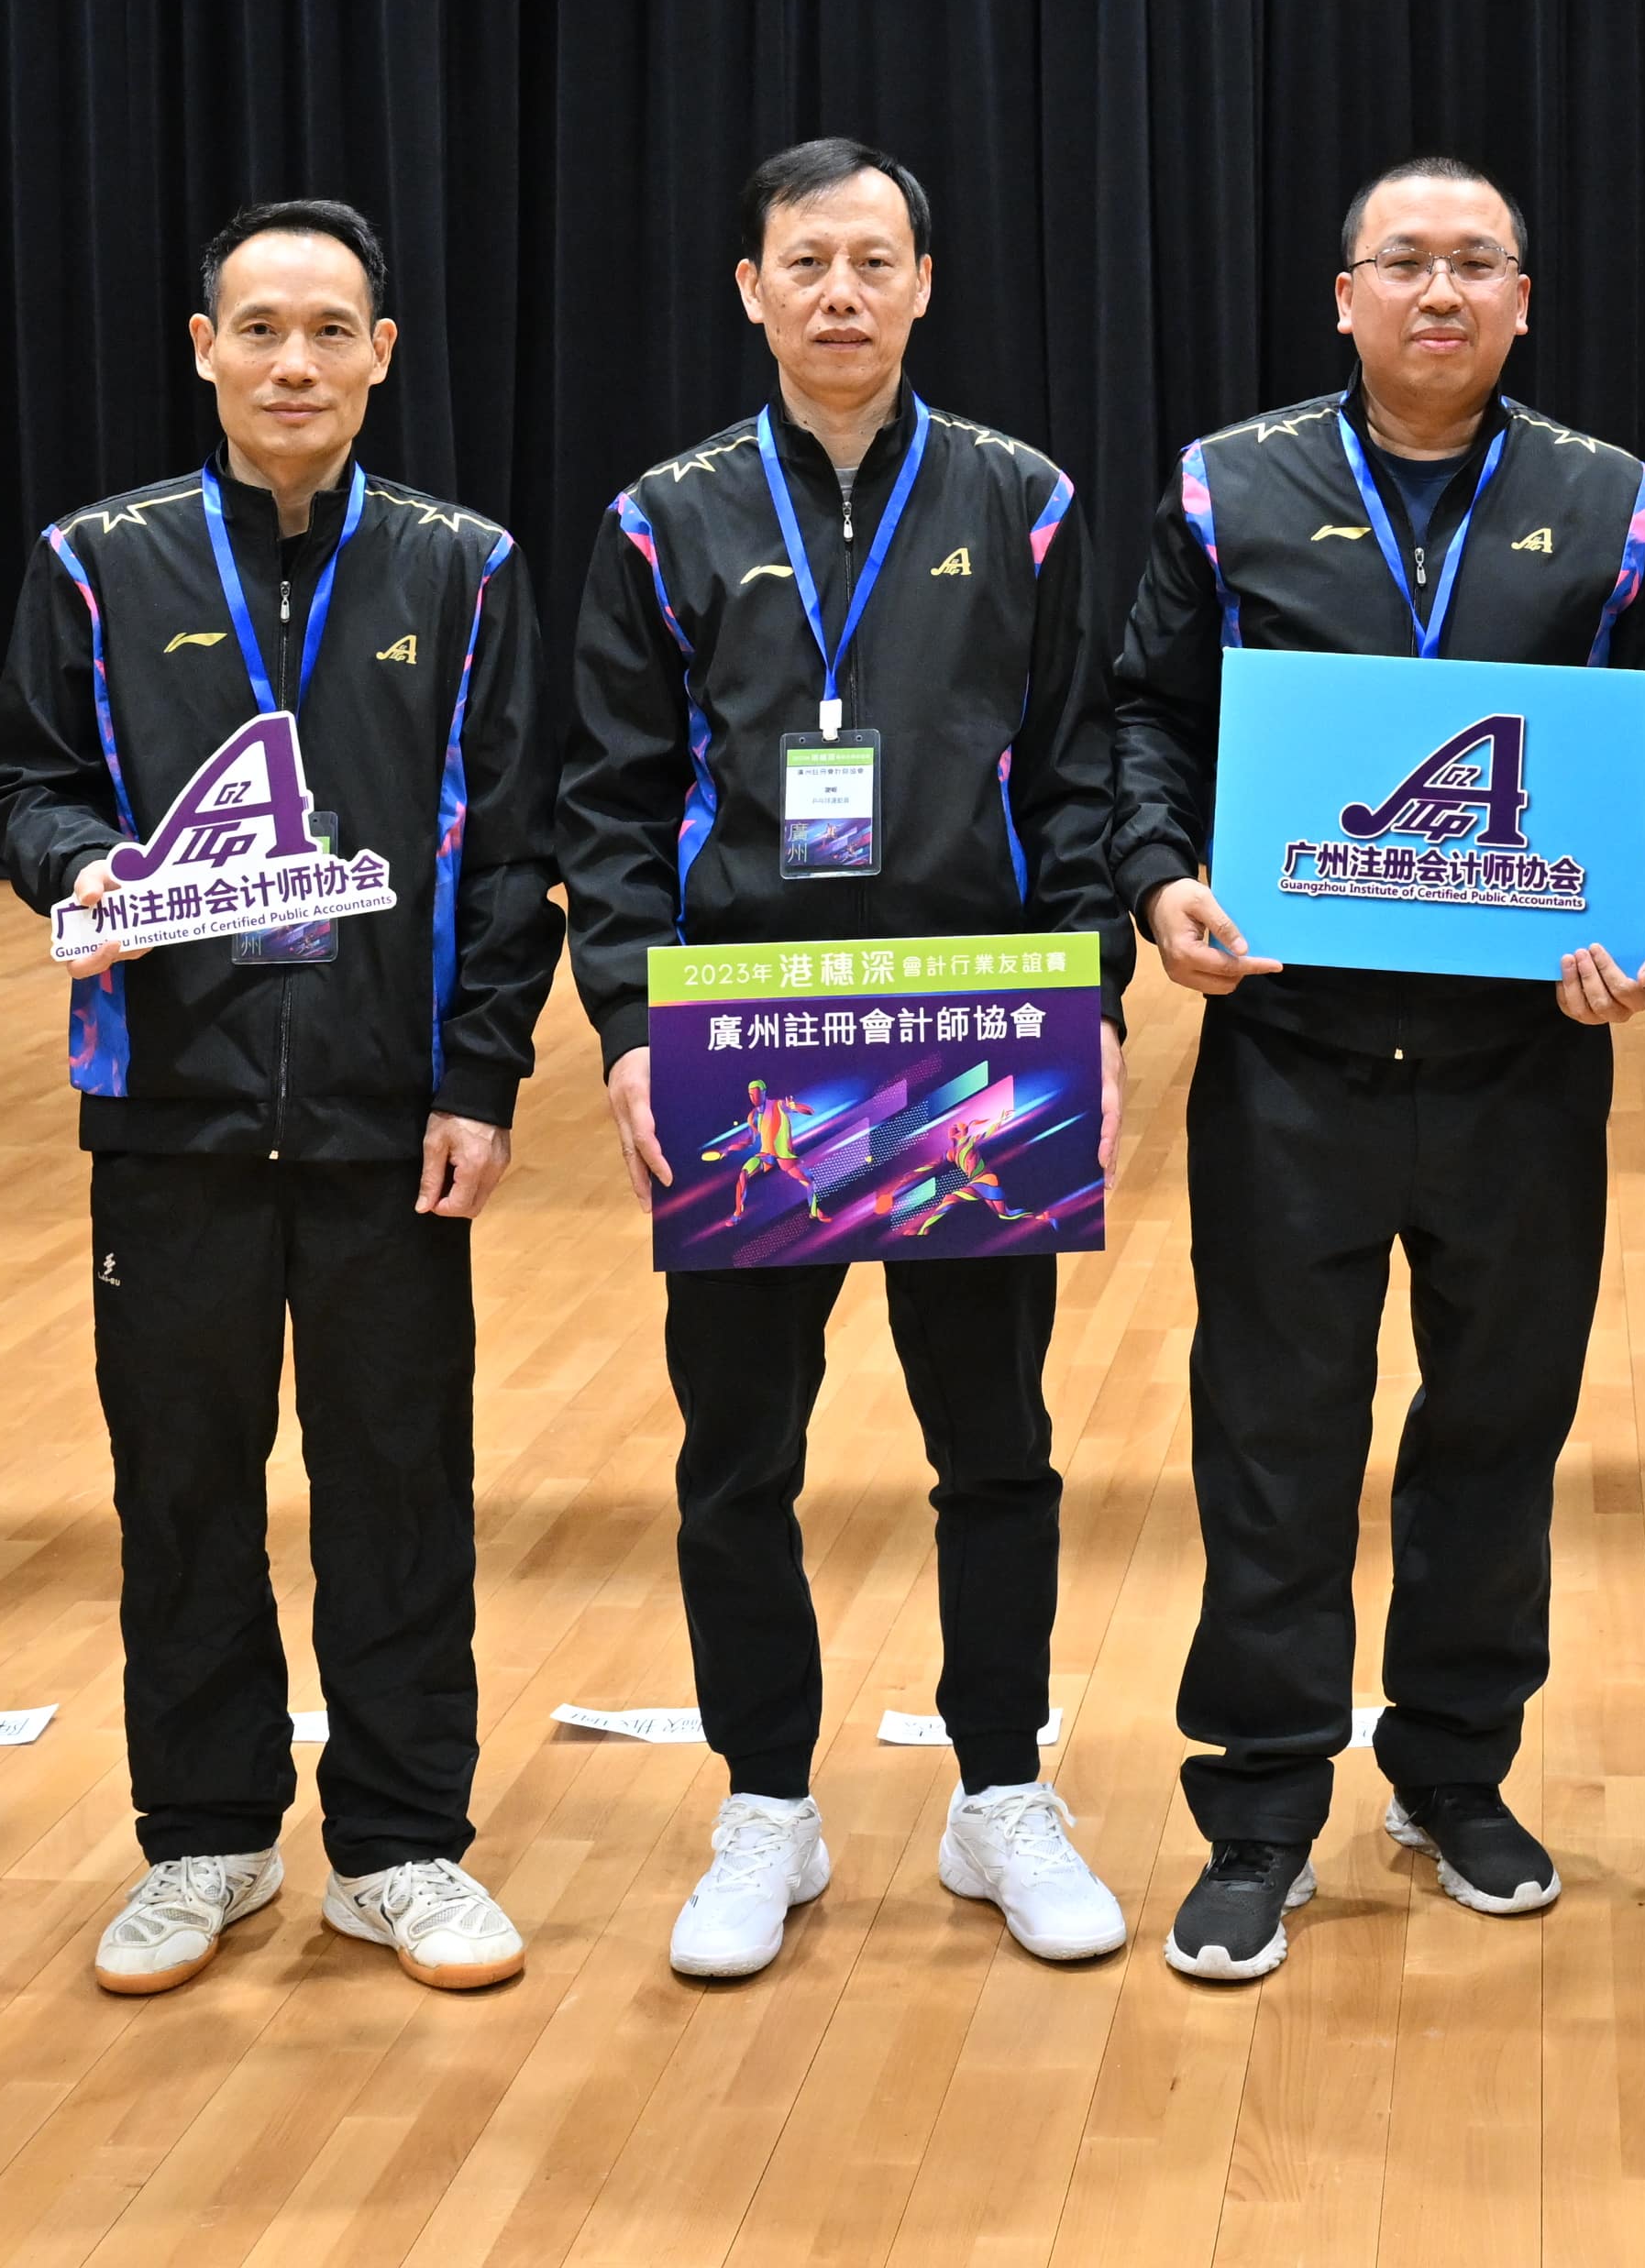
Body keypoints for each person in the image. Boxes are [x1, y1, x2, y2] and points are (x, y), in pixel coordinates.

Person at [1107, 155, 1645, 1983]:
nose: (1437, 292)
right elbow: (1147, 712)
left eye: (1473, 265)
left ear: (1524, 300)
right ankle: (1261, 1807)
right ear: (1345, 295)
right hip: (1289, 1057)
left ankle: (1456, 1772)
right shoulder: (1229, 485)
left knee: (1495, 1434)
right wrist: (1161, 877)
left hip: (1523, 1062)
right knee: (1272, 1438)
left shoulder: (1615, 503)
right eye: (1403, 262)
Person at [561, 135, 1134, 1981]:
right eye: (806, 261)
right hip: (751, 1046)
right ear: (751, 289)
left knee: (996, 1448)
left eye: (873, 261)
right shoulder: (663, 516)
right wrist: (631, 1026)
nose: (840, 293)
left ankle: (1000, 1793)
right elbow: (609, 802)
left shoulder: (1023, 498)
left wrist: (1094, 998)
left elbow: (1077, 773)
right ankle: (767, 1806)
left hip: (973, 1034)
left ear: (923, 284)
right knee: (741, 1457)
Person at [0, 201, 556, 2004]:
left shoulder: (466, 567)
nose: (292, 362)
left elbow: (507, 848)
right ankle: (206, 1837)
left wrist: (480, 1077)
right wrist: (81, 865)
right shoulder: (99, 562)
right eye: (259, 328)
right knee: (181, 1483)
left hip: (392, 1116)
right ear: (203, 348)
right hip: (171, 1109)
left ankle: (400, 1843)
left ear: (381, 352)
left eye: (328, 330)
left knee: (401, 1480)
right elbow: (24, 784)